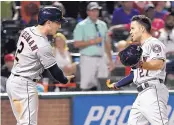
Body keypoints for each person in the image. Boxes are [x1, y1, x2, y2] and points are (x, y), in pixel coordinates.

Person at [6, 7, 74, 125]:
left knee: (22, 122)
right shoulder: (43, 44)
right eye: (58, 22)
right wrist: (64, 80)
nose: (60, 26)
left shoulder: (27, 30)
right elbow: (55, 72)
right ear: (48, 22)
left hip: (13, 81)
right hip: (24, 84)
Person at [107, 15, 169, 125]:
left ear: (141, 29)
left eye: (133, 28)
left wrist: (140, 64)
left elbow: (158, 63)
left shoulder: (154, 43)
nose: (130, 32)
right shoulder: (140, 48)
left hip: (153, 90)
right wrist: (117, 84)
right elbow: (134, 74)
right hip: (142, 94)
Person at [73, 2, 114, 91]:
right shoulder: (81, 26)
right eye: (92, 10)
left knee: (103, 84)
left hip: (102, 58)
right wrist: (93, 41)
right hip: (88, 58)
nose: (95, 13)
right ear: (88, 12)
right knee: (87, 85)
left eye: (96, 10)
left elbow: (107, 43)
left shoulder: (103, 25)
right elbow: (76, 44)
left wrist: (110, 60)